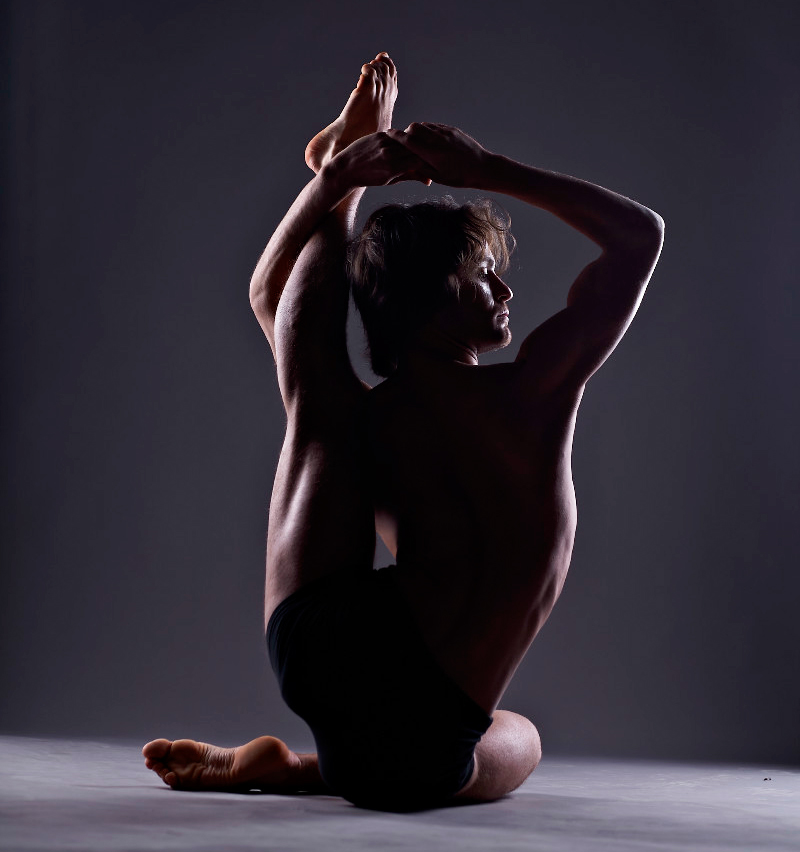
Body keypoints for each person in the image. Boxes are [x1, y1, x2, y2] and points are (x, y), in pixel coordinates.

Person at [143, 51, 664, 811]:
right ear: (441, 289)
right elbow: (640, 236)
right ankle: (312, 768)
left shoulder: (367, 417)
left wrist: (330, 184)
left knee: (314, 391)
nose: (506, 288)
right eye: (485, 273)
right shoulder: (535, 393)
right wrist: (487, 170)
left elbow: (267, 293)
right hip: (427, 740)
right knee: (520, 738)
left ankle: (301, 767)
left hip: (313, 649)